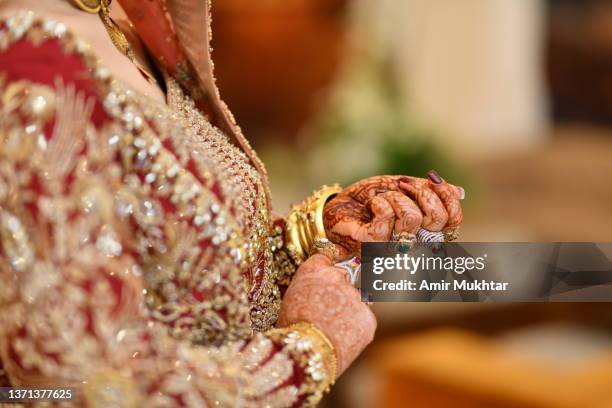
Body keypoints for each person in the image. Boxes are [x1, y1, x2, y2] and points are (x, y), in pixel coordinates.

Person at [0, 0, 463, 406]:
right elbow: (84, 390)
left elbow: (177, 277)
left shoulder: (122, 17)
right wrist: (308, 353)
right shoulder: (23, 63)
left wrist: (316, 235)